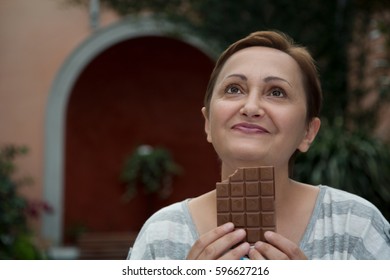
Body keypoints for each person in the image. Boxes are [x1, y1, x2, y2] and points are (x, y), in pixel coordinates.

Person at [127, 30, 390, 260]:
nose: (251, 107)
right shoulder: (161, 235)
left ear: (308, 132)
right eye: (233, 89)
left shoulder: (355, 225)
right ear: (208, 123)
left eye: (277, 92)